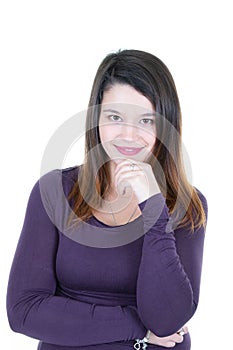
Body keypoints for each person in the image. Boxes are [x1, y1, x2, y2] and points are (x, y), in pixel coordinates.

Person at [6, 49, 208, 350]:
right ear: (96, 119)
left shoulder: (187, 206)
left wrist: (154, 206)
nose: (128, 135)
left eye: (146, 121)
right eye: (115, 117)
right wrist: (137, 326)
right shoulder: (54, 192)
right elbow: (24, 311)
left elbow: (167, 321)